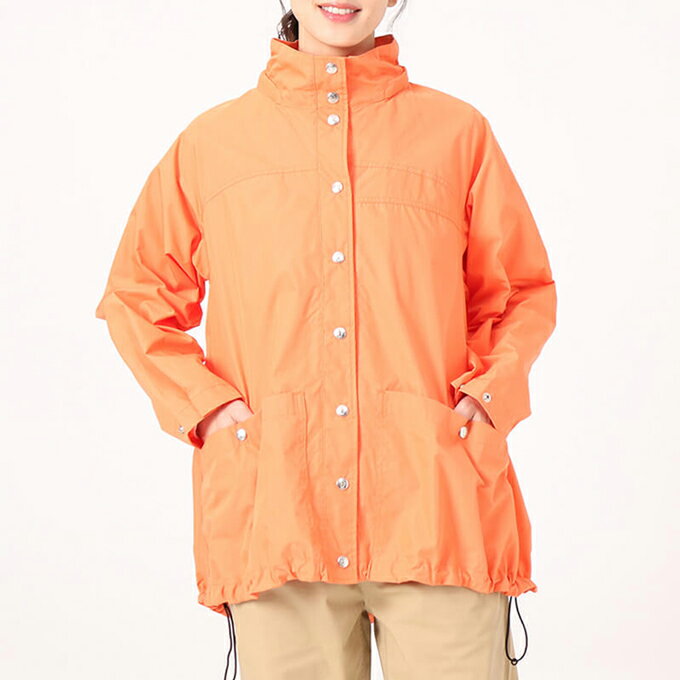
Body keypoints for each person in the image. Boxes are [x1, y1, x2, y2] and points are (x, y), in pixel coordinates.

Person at [94, 1, 557, 678]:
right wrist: (208, 408)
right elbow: (137, 298)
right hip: (277, 509)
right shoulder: (213, 145)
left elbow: (517, 291)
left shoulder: (457, 135)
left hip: (436, 508)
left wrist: (485, 401)